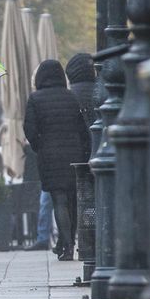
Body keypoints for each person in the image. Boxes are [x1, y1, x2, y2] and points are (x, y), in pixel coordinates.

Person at [24, 59, 90, 261]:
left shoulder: (35, 99)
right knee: (72, 200)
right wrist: (84, 153)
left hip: (50, 155)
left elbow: (30, 130)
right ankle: (66, 242)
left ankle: (67, 246)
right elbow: (82, 129)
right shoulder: (71, 97)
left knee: (59, 200)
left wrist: (39, 146)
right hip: (74, 153)